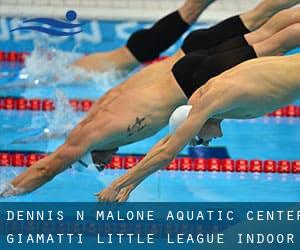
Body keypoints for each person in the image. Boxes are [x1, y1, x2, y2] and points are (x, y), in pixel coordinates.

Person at [1, 0, 300, 198]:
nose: (104, 165)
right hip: (187, 55)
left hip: (192, 78)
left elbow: (46, 167)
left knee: (276, 38)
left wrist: (8, 190)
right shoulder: (100, 108)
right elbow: (67, 139)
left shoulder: (95, 133)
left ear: (89, 150)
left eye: (95, 162)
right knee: (270, 28)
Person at [97, 53, 300, 202]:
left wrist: (116, 184)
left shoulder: (212, 101)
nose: (207, 143)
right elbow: (169, 141)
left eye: (200, 140)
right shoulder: (200, 101)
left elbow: (167, 154)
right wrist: (131, 186)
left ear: (197, 124)